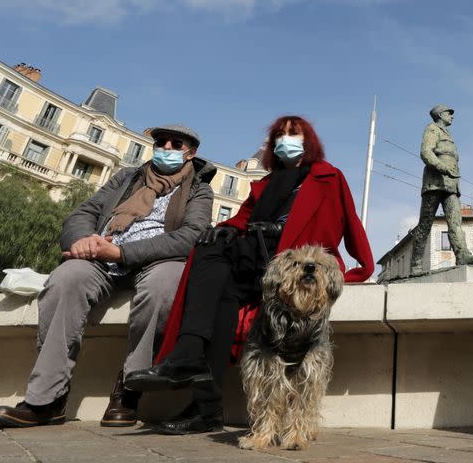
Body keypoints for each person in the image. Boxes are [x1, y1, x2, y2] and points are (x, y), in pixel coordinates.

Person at [125, 115, 374, 434]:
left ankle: (193, 373)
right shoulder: (266, 184)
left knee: (216, 274)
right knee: (213, 266)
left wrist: (361, 266)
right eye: (279, 135)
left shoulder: (329, 177)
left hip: (291, 261)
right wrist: (224, 231)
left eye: (293, 134)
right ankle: (201, 393)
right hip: (254, 258)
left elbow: (351, 223)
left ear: (308, 140)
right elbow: (241, 219)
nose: (286, 139)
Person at [0, 124, 215, 428]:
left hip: (159, 258)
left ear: (191, 152)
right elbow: (83, 213)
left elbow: (191, 236)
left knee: (164, 287)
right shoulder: (127, 177)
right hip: (102, 253)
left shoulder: (199, 188)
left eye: (177, 143)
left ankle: (130, 390)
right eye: (161, 141)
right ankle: (47, 399)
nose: (167, 147)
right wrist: (81, 241)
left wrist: (123, 254)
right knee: (66, 279)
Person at [410, 104, 473, 276]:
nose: (452, 116)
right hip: (434, 183)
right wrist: (442, 167)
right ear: (439, 115)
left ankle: (462, 255)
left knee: (455, 222)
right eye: (448, 113)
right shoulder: (432, 129)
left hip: (451, 185)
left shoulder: (448, 135)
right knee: (425, 224)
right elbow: (425, 152)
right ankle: (416, 265)